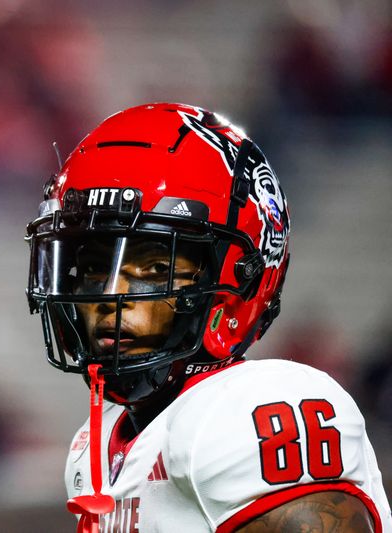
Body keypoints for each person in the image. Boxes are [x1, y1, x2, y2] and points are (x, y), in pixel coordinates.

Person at [25, 103, 391, 532]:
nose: (109, 296)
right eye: (93, 268)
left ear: (239, 281)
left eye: (155, 270)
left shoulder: (249, 411)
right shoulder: (98, 441)